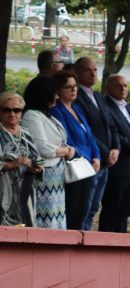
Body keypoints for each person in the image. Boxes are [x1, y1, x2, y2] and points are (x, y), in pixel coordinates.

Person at [50, 69, 100, 230]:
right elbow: (66, 140)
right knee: (74, 211)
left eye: (75, 86)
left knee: (86, 210)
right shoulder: (56, 110)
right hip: (75, 167)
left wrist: (96, 157)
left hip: (89, 166)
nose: (73, 90)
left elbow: (90, 136)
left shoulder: (77, 109)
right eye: (68, 87)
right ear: (57, 90)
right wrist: (86, 159)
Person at [20, 77, 72, 229]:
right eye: (54, 93)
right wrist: (67, 151)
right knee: (45, 222)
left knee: (56, 220)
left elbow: (58, 143)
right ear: (44, 94)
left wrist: (64, 149)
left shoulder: (48, 116)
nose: (57, 96)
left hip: (56, 178)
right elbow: (43, 149)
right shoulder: (32, 115)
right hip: (45, 177)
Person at [99, 75, 130, 233]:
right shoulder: (106, 107)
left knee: (125, 211)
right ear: (108, 88)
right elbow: (113, 135)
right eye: (118, 86)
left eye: (125, 85)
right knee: (112, 210)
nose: (123, 89)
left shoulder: (128, 107)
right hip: (118, 168)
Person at [73, 57, 113, 231]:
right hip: (92, 159)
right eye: (87, 70)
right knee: (85, 207)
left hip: (106, 161)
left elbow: (111, 125)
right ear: (76, 73)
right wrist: (105, 153)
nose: (93, 73)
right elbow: (88, 131)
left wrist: (115, 149)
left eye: (95, 70)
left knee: (94, 207)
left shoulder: (99, 96)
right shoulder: (77, 98)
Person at [0, 92, 42, 226]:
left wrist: (37, 168)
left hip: (25, 192)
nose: (12, 114)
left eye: (16, 110)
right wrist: (11, 164)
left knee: (26, 232)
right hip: (3, 193)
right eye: (7, 110)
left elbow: (37, 158)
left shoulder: (26, 133)